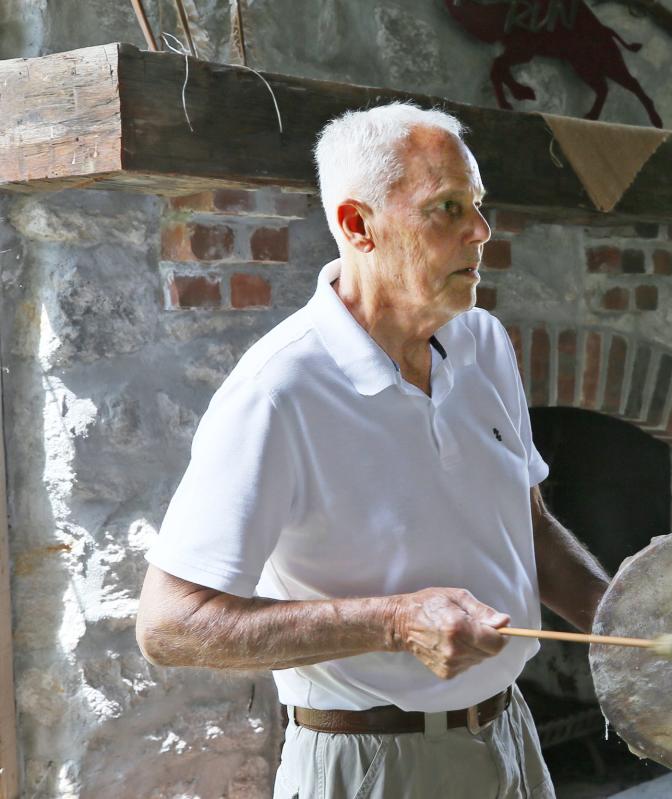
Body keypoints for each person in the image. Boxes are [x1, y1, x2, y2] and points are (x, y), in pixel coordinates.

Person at [136, 102, 609, 799]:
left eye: (478, 204)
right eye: (447, 208)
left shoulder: (484, 343)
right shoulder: (278, 390)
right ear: (358, 225)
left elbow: (528, 528)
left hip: (511, 738)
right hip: (370, 768)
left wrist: (620, 620)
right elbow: (169, 625)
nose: (481, 232)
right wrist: (394, 622)